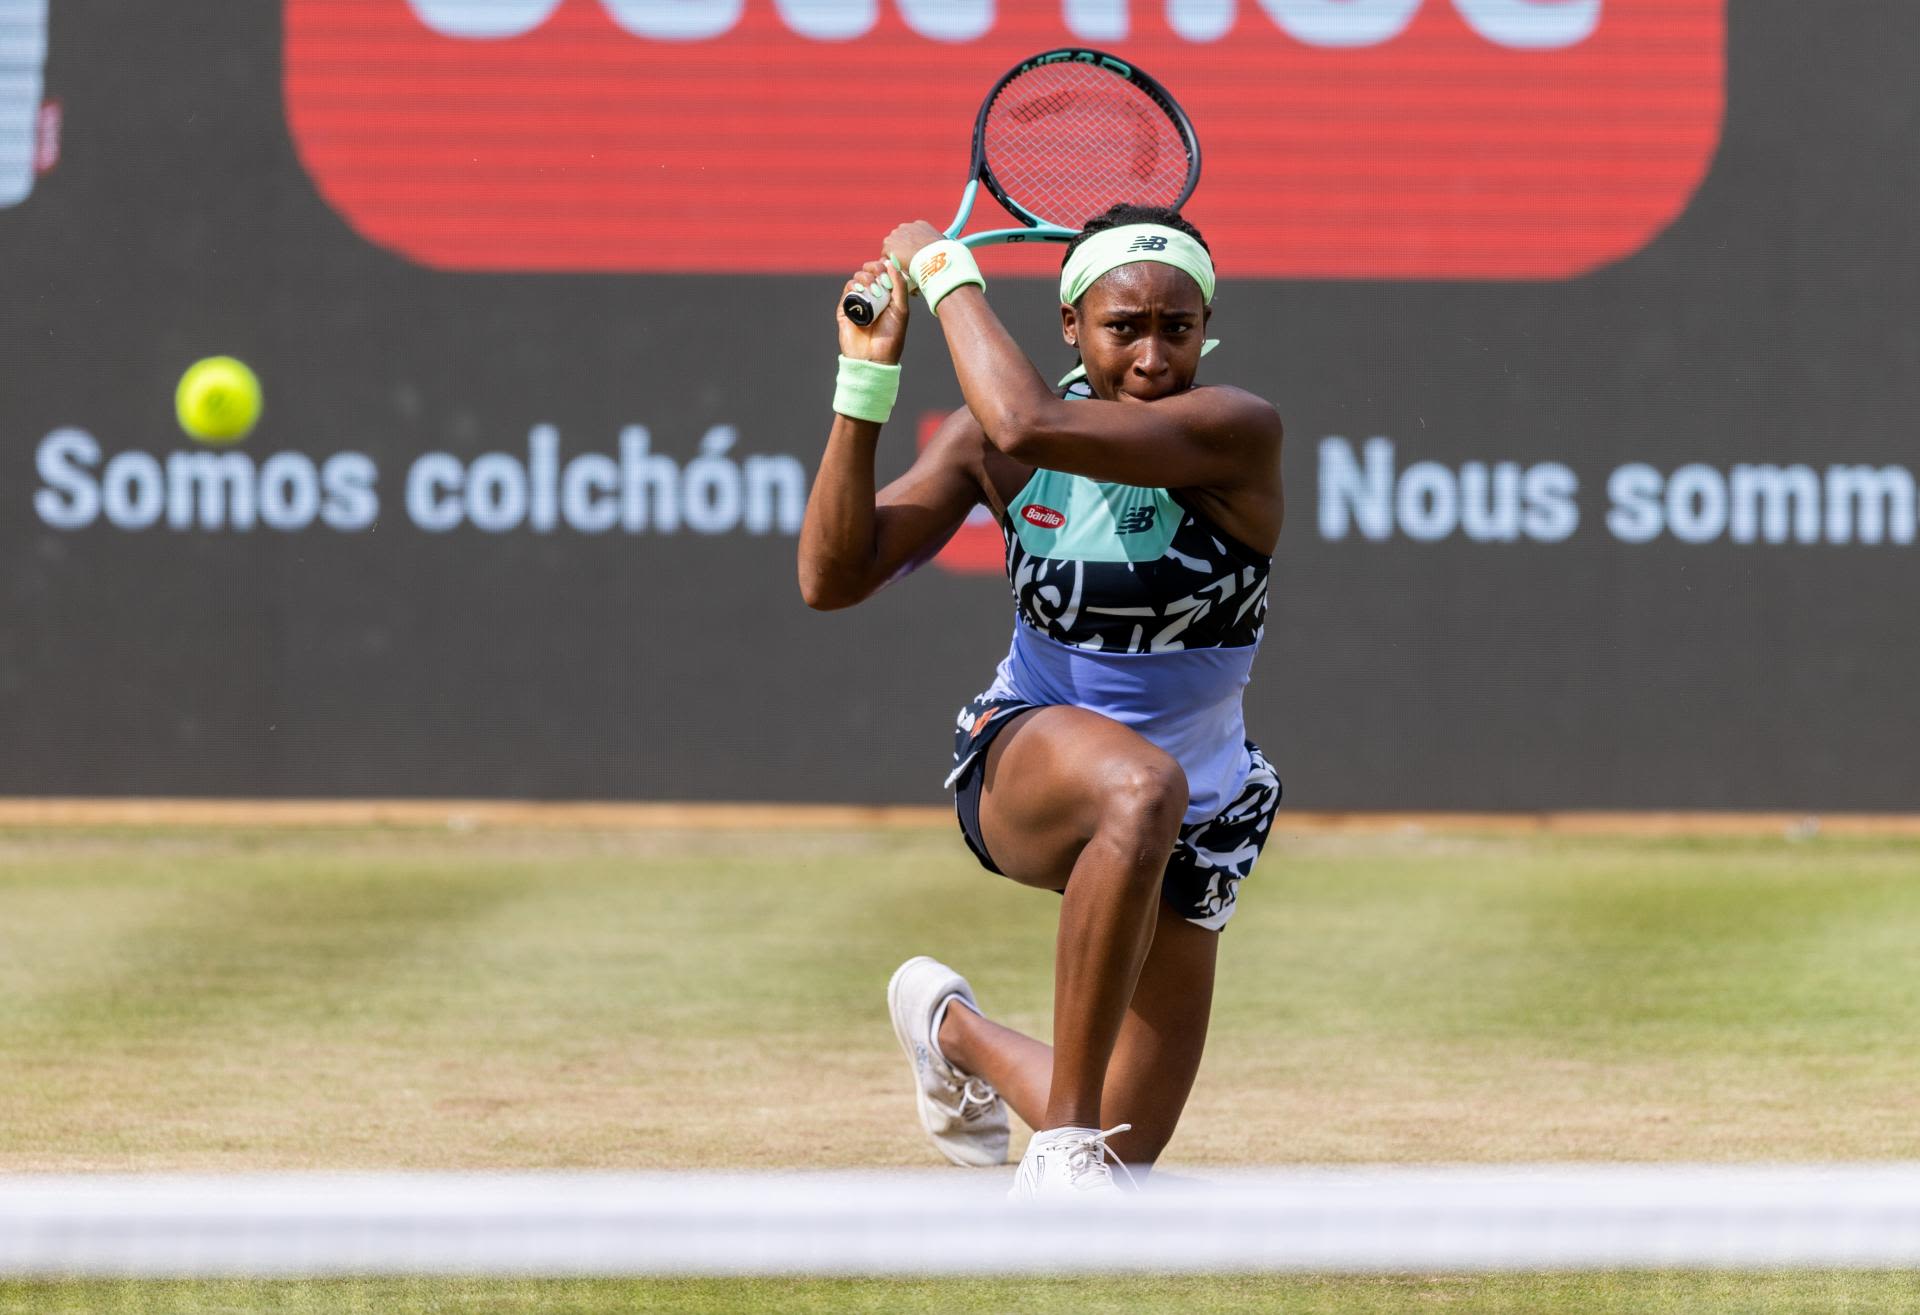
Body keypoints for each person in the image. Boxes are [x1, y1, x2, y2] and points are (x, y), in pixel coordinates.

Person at [797, 203, 1284, 1201]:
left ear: (1206, 332)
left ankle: (951, 1029)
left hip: (1206, 809)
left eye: (1176, 329)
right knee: (1138, 786)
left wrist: (942, 267)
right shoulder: (994, 447)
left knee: (1125, 1152)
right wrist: (866, 381)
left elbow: (1032, 417)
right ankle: (1057, 1147)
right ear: (1070, 324)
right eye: (1123, 327)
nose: (1152, 356)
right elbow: (831, 576)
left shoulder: (1235, 429)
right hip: (1028, 756)